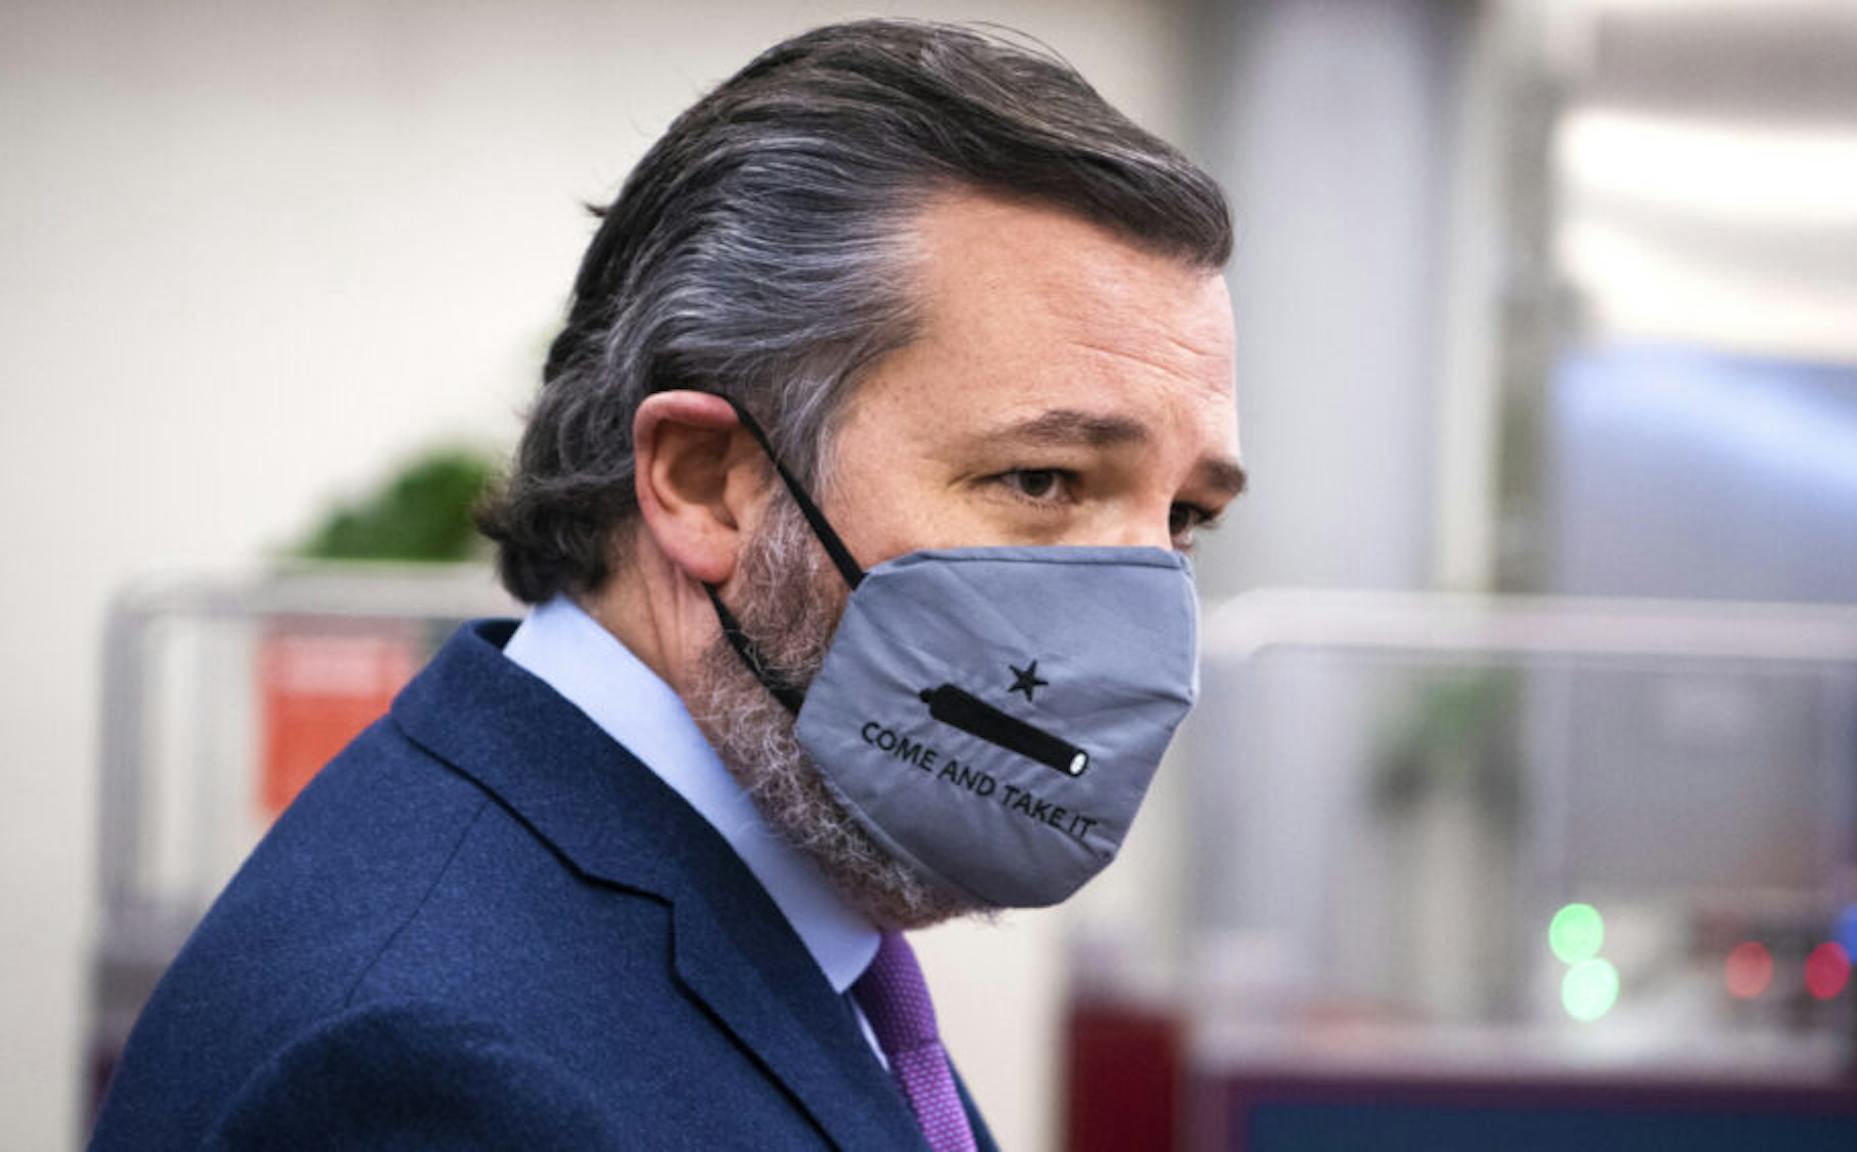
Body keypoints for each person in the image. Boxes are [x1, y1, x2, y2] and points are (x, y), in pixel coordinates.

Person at [91, 18, 1241, 1150]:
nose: (1138, 621)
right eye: (1041, 479)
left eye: (1185, 517)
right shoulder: (437, 1071)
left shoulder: (777, 937)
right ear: (704, 484)